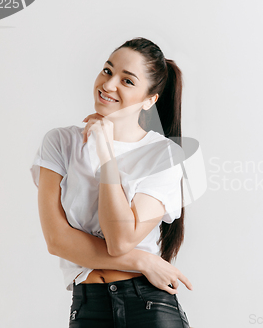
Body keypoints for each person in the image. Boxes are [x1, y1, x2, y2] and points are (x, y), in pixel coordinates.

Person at [30, 37, 192, 327]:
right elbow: (56, 240)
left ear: (149, 100)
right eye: (107, 70)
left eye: (127, 81)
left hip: (149, 307)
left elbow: (119, 241)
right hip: (88, 307)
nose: (108, 84)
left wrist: (106, 152)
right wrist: (143, 261)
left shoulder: (164, 154)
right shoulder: (60, 142)